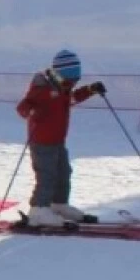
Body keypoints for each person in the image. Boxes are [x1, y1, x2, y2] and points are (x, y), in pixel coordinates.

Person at [16, 50, 106, 227]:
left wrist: (90, 89)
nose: (72, 84)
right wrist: (32, 111)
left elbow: (71, 98)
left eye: (75, 81)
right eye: (70, 81)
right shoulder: (42, 88)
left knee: (64, 172)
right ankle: (39, 209)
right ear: (59, 74)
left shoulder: (63, 87)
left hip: (57, 140)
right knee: (47, 175)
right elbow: (22, 107)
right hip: (41, 141)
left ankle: (58, 205)